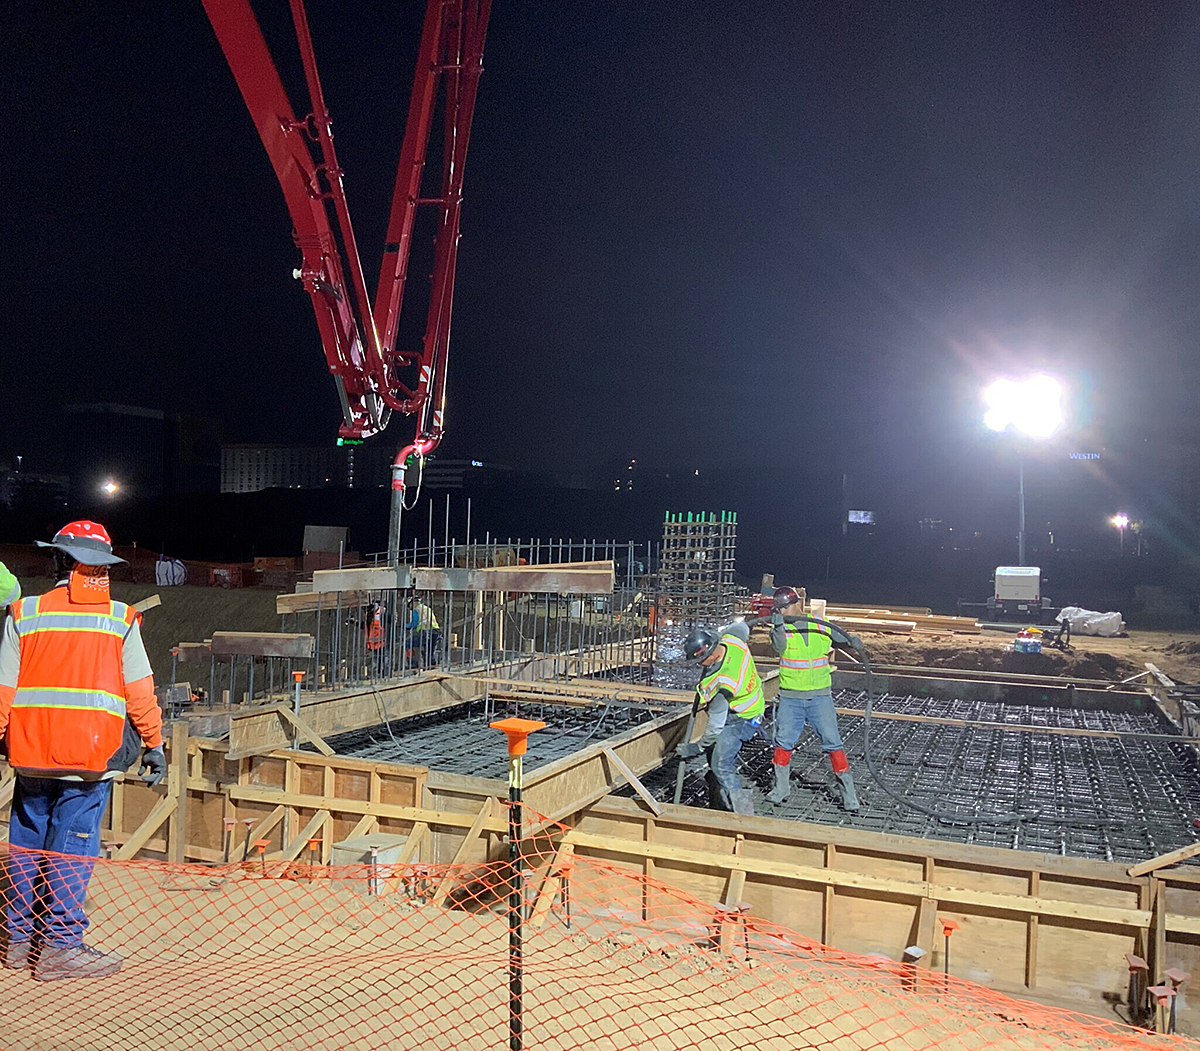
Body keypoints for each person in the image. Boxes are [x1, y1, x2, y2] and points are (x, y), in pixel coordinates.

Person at [0, 521, 166, 980]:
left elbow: (2, 691)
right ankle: (59, 947)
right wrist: (154, 743)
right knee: (71, 848)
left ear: (57, 561)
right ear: (102, 568)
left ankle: (16, 941)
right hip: (90, 759)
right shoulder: (120, 619)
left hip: (31, 753)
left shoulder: (24, 613)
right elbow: (140, 692)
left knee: (26, 843)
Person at [766, 587, 860, 812]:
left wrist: (853, 640)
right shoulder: (780, 628)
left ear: (795, 604)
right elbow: (779, 648)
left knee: (833, 742)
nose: (781, 612)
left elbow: (841, 639)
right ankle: (781, 789)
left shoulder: (819, 622)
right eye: (778, 609)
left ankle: (849, 796)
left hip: (820, 697)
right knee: (783, 743)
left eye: (783, 608)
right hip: (791, 697)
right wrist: (778, 624)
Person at [675, 621, 764, 815]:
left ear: (711, 655)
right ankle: (718, 803)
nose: (698, 665)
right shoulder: (733, 640)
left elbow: (715, 727)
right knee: (715, 759)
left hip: (741, 719)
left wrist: (696, 747)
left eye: (700, 661)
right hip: (754, 704)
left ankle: (745, 815)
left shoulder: (723, 683)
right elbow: (742, 627)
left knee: (720, 765)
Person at [406, 599, 442, 669]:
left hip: (426, 632)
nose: (411, 608)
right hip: (436, 631)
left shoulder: (416, 610)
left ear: (413, 603)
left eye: (410, 606)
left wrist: (405, 626)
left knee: (408, 643)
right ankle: (431, 665)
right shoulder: (427, 608)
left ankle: (412, 663)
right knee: (430, 650)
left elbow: (414, 624)